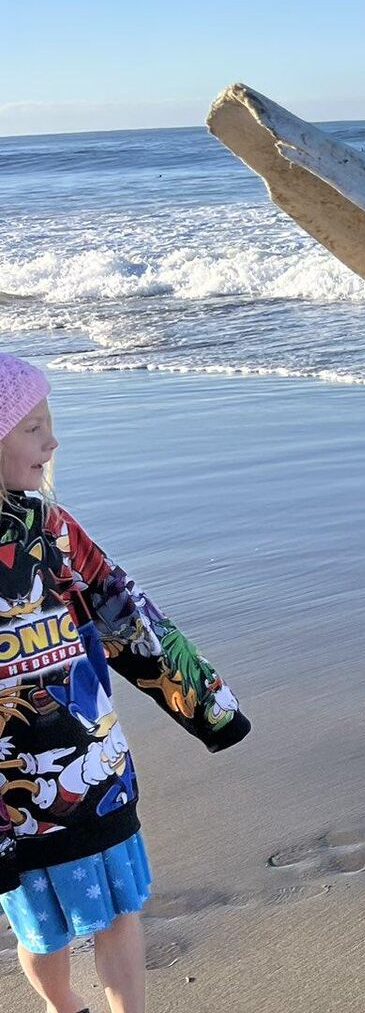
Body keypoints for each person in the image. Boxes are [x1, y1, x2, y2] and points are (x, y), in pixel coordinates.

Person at [0, 353, 250, 1013]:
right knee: (42, 934)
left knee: (119, 912)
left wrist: (206, 705)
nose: (51, 441)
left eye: (49, 422)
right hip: (13, 803)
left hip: (95, 772)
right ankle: (65, 1008)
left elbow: (124, 611)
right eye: (32, 427)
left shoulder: (53, 529)